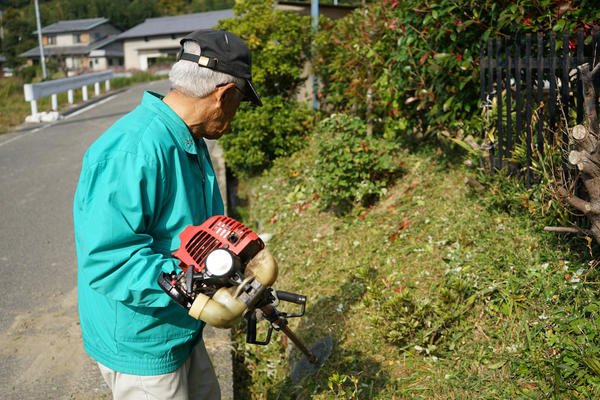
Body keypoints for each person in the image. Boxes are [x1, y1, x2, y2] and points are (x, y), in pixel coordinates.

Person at [73, 29, 261, 399]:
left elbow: (200, 232)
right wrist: (199, 283)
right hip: (142, 340)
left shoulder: (188, 138)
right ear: (224, 95)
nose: (235, 116)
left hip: (180, 326)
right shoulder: (132, 152)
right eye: (240, 103)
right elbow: (109, 260)